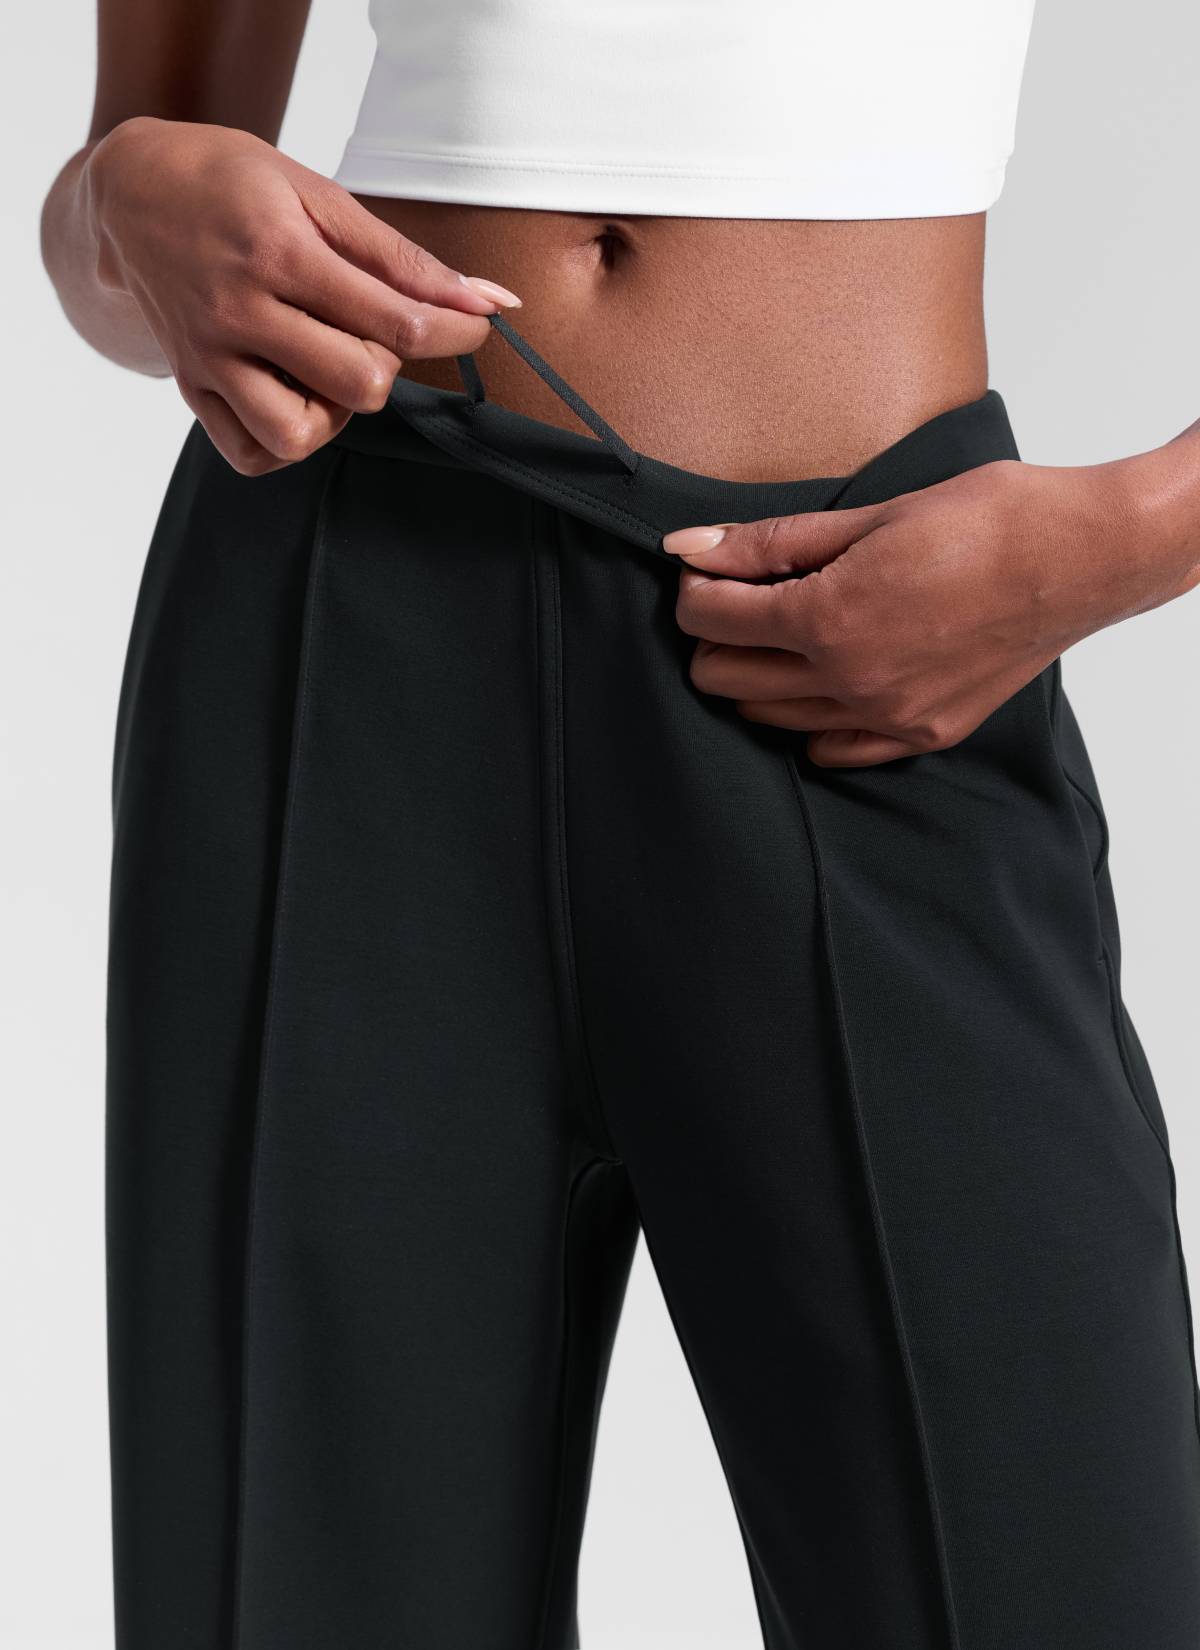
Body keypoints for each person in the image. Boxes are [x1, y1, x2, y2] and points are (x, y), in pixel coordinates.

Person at [40, 2, 1200, 1647]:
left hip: (868, 642)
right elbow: (121, 201)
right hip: (349, 621)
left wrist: (1130, 534)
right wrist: (117, 204)